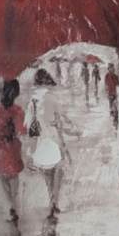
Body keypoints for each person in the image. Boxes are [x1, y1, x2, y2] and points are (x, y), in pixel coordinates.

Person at [27, 68, 79, 220]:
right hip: (54, 139)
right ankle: (54, 202)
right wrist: (72, 131)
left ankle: (51, 200)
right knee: (58, 172)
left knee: (47, 174)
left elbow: (31, 127)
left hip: (41, 141)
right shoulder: (52, 98)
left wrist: (31, 150)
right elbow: (62, 119)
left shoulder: (32, 101)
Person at [0, 78, 26, 223]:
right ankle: (15, 206)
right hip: (13, 147)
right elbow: (22, 130)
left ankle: (11, 206)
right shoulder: (18, 110)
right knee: (13, 176)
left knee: (3, 177)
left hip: (0, 147)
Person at [105, 63, 119, 129]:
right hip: (110, 94)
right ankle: (112, 122)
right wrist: (107, 93)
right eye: (110, 68)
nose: (112, 69)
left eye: (112, 67)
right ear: (108, 69)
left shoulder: (115, 76)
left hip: (115, 94)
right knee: (111, 108)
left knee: (116, 108)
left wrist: (116, 81)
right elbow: (106, 85)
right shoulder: (107, 76)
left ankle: (116, 123)